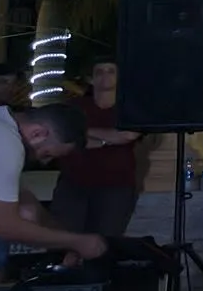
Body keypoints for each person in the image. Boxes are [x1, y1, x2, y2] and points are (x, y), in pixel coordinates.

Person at [0, 102, 103, 263]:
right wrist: (79, 243)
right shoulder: (8, 143)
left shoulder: (0, 119)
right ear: (38, 134)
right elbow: (3, 226)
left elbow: (25, 201)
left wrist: (65, 239)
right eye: (46, 154)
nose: (43, 162)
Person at [51, 57, 143, 238]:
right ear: (91, 79)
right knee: (64, 240)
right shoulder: (75, 107)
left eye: (111, 71)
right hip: (73, 184)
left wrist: (84, 132)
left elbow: (126, 135)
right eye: (99, 72)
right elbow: (64, 138)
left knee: (104, 244)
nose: (105, 76)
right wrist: (108, 138)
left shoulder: (130, 108)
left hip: (115, 187)